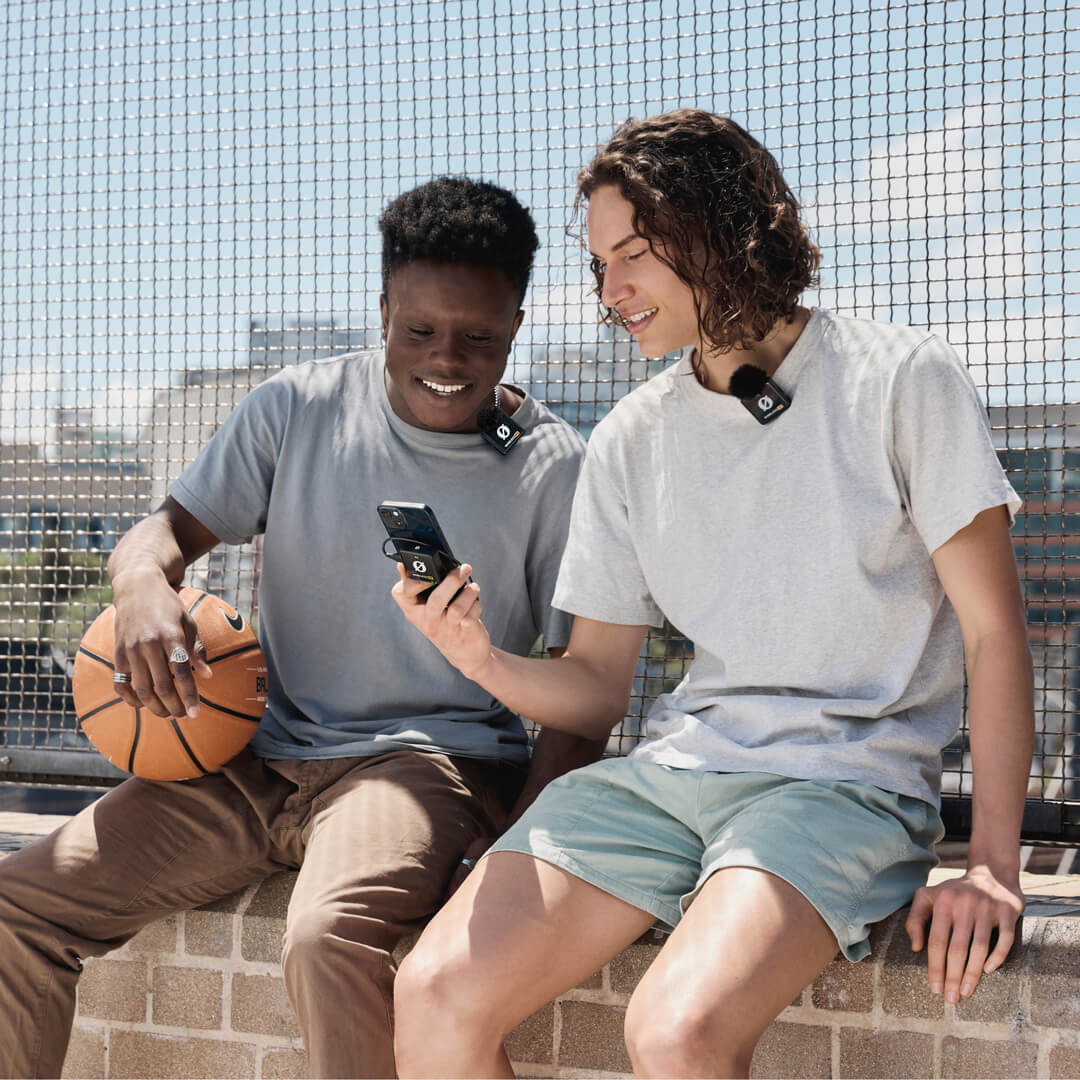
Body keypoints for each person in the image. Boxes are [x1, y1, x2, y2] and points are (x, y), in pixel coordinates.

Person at [390, 111, 1034, 1079]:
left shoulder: (902, 380)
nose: (610, 293)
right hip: (672, 779)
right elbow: (598, 687)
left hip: (841, 788)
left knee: (676, 1031)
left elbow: (993, 635)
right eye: (602, 264)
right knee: (433, 990)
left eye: (634, 256)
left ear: (722, 231)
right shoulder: (631, 439)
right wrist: (479, 658)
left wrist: (989, 863)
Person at [0, 176, 595, 1080]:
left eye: (477, 335)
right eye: (419, 330)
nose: (447, 357)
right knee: (18, 905)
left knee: (326, 939)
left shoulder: (552, 465)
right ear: (383, 308)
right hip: (256, 753)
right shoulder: (296, 405)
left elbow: (583, 688)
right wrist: (137, 585)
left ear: (515, 323)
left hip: (424, 765)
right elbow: (164, 533)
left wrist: (519, 834)